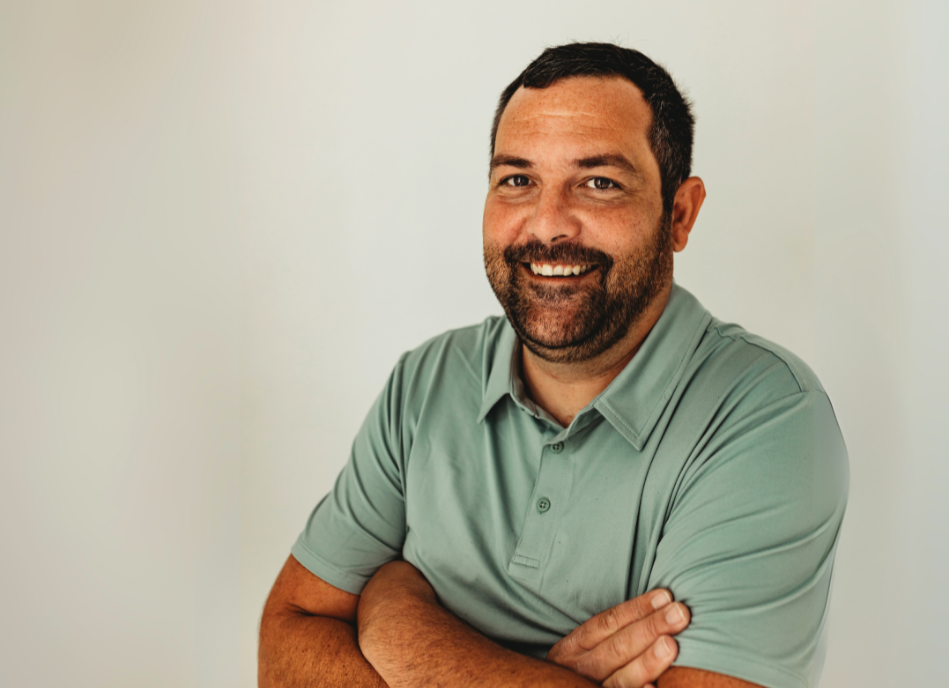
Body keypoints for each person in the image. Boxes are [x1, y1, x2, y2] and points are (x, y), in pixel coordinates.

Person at [258, 42, 848, 688]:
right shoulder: (426, 384)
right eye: (517, 180)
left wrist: (401, 625)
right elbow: (284, 642)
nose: (547, 226)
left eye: (599, 182)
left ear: (679, 214)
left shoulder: (767, 418)